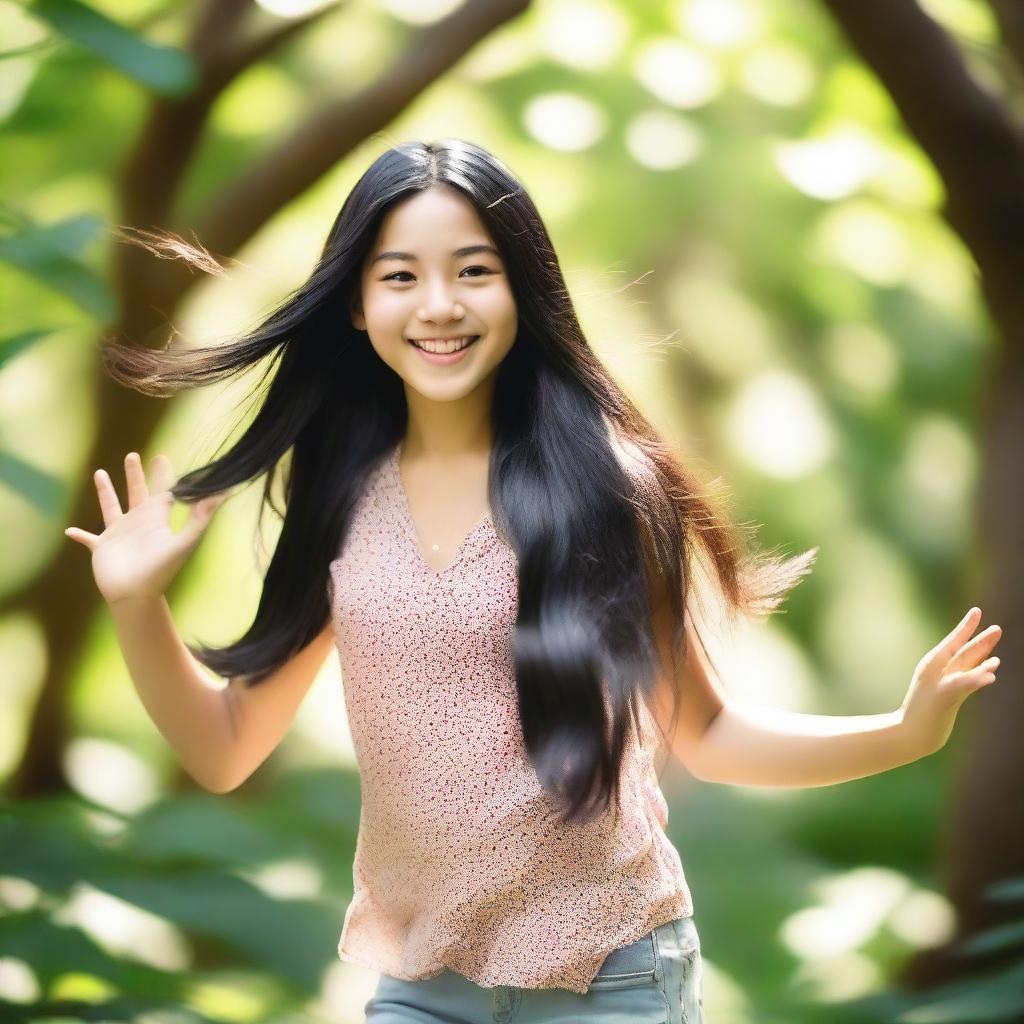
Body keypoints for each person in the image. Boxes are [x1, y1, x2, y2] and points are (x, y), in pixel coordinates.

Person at [65, 139, 1003, 1024]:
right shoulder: (338, 503)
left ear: (523, 290)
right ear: (356, 304)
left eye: (475, 270)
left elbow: (707, 734)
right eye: (401, 276)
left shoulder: (606, 493)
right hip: (423, 986)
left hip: (612, 976)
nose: (439, 304)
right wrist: (136, 606)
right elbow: (226, 747)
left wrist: (904, 732)